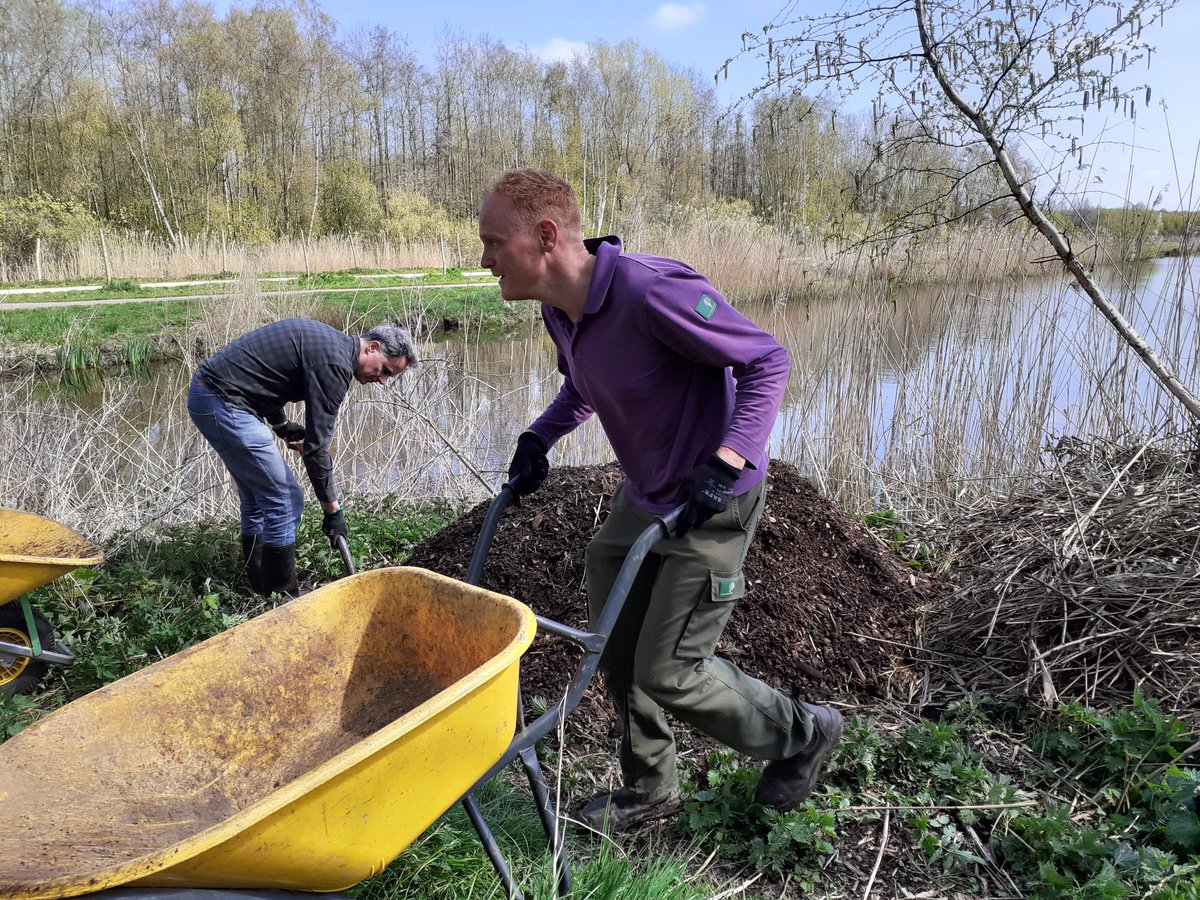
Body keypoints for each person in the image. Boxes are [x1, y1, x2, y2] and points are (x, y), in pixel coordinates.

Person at [482, 169, 844, 832]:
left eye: (494, 242)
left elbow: (767, 360)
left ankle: (802, 733)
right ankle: (650, 789)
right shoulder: (560, 309)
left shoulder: (652, 291)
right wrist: (540, 435)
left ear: (546, 236)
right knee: (616, 649)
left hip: (712, 503)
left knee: (669, 669)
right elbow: (585, 384)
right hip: (645, 498)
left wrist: (728, 460)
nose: (485, 259)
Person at [188, 318, 416, 597]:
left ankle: (261, 589)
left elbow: (265, 378)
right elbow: (316, 451)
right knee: (285, 499)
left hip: (208, 393)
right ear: (373, 347)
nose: (382, 380)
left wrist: (281, 425)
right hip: (223, 401)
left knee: (258, 498)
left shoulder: (329, 344)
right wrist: (333, 513)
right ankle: (283, 600)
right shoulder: (335, 366)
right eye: (385, 370)